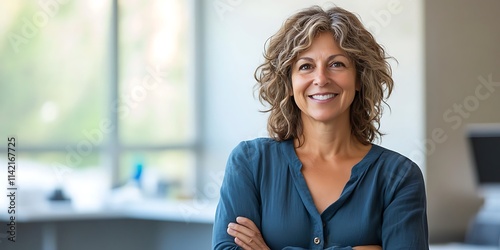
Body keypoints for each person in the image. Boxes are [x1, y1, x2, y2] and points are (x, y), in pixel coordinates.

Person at [212, 5, 428, 250]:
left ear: (359, 78)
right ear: (289, 83)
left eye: (336, 64)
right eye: (305, 66)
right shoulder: (250, 163)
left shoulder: (398, 177)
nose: (321, 79)